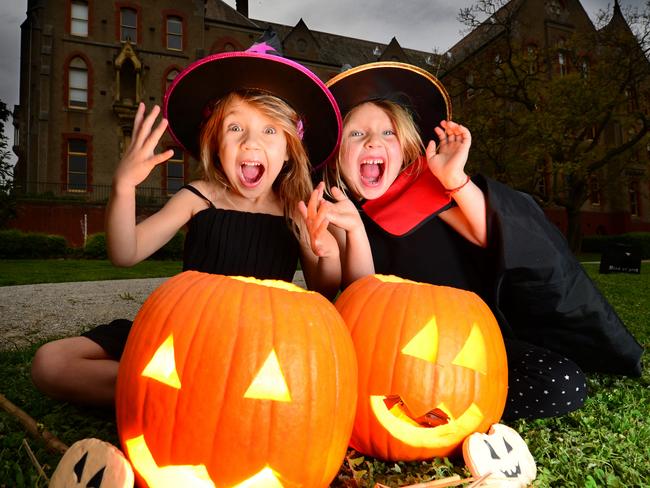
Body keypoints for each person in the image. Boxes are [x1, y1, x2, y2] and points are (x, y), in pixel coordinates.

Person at [310, 61, 643, 420]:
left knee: (561, 383)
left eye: (388, 133)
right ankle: (419, 407)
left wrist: (454, 179)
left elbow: (502, 237)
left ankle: (446, 408)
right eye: (357, 134)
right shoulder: (334, 212)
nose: (374, 140)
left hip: (470, 343)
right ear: (336, 154)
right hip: (389, 356)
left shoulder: (428, 192)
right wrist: (353, 232)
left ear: (406, 145)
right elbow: (358, 305)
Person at [30, 43, 343, 407]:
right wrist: (123, 187)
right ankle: (195, 397)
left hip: (256, 349)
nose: (251, 141)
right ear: (214, 142)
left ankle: (186, 399)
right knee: (50, 363)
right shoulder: (198, 197)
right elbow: (125, 252)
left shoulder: (295, 211)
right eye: (235, 127)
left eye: (270, 130)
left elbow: (324, 288)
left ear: (290, 149)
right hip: (181, 334)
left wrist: (327, 251)